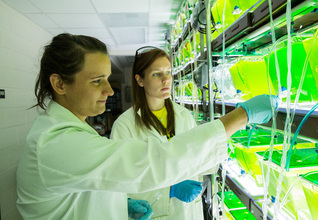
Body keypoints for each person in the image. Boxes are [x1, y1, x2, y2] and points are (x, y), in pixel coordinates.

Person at [16, 33, 279, 220]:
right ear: (59, 84)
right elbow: (149, 165)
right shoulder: (55, 144)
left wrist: (121, 205)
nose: (109, 90)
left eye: (107, 79)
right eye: (97, 81)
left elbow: (100, 183)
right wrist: (241, 116)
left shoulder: (74, 133)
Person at [110, 47, 215, 220]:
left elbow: (196, 159)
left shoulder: (184, 116)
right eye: (157, 74)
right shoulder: (124, 125)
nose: (166, 80)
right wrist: (169, 190)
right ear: (140, 80)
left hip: (189, 212)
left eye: (168, 72)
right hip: (154, 213)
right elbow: (121, 183)